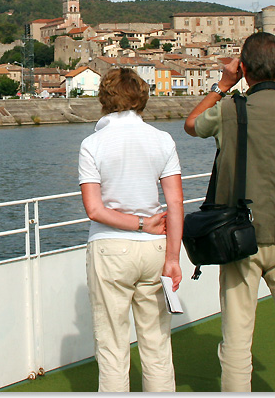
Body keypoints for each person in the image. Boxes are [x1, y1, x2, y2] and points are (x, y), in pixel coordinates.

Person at [183, 32, 275, 393]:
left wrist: (222, 84)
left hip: (239, 239)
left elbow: (191, 125)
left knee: (236, 341)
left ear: (245, 69)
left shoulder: (230, 109)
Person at [78, 67, 184, 392]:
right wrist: (173, 258)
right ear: (141, 97)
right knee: (156, 344)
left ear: (105, 99)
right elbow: (176, 205)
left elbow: (94, 209)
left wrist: (137, 223)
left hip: (110, 250)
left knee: (112, 347)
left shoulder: (92, 144)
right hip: (155, 248)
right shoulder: (162, 140)